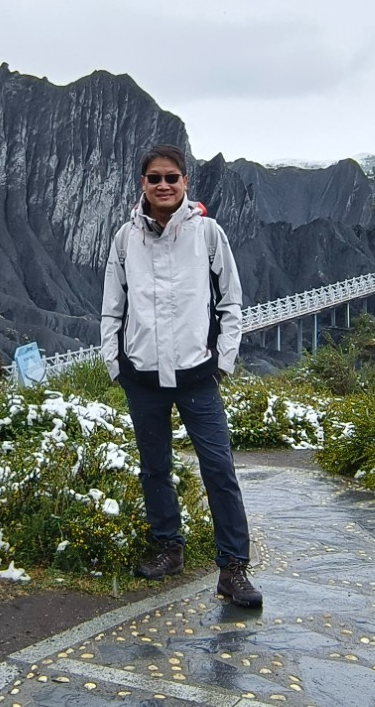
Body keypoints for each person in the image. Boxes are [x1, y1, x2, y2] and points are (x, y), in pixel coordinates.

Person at [100, 145, 261, 609]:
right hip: (143, 375)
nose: (164, 185)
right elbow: (112, 307)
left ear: (186, 182)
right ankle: (168, 547)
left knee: (219, 469)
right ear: (143, 184)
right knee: (155, 467)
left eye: (172, 177)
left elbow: (231, 302)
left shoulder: (207, 234)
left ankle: (233, 568)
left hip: (196, 376)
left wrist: (222, 360)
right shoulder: (125, 239)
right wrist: (117, 364)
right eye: (155, 178)